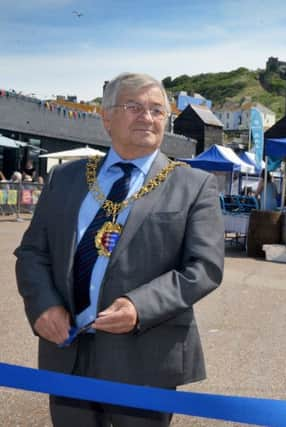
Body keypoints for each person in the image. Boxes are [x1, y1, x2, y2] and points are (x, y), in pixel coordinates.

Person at [14, 72, 224, 426]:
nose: (148, 117)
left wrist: (139, 306)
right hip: (68, 352)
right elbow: (32, 253)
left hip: (146, 357)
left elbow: (204, 268)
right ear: (106, 117)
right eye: (134, 107)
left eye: (158, 110)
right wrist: (43, 306)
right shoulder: (65, 178)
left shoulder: (194, 185)